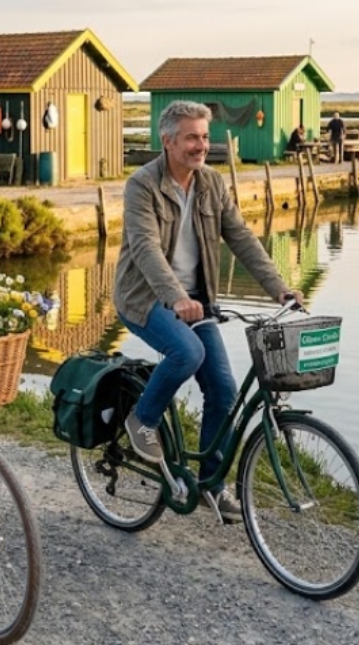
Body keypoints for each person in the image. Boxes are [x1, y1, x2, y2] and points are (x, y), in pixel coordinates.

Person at [113, 100, 304, 523]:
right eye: (192, 137)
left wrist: (279, 289)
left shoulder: (213, 184)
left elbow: (242, 238)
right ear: (167, 141)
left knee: (223, 390)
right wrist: (175, 296)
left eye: (205, 136)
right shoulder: (142, 185)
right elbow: (145, 248)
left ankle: (212, 486)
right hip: (145, 297)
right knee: (188, 353)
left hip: (196, 300)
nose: (202, 145)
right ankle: (141, 419)